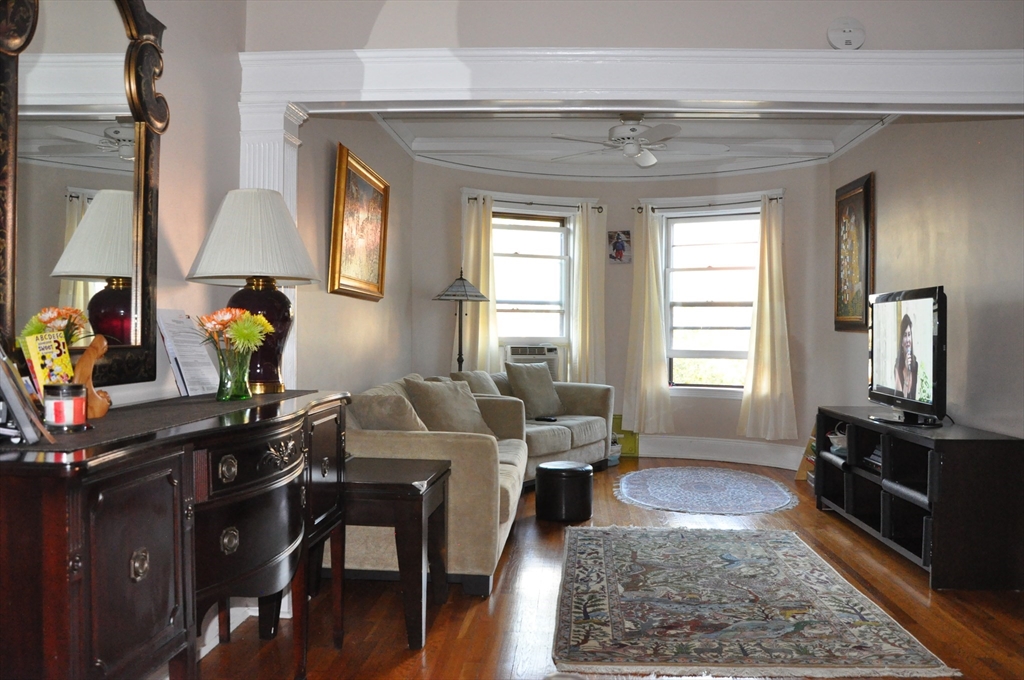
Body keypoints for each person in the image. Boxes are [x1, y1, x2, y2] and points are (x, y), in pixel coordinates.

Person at [893, 314, 918, 400]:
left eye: (909, 334)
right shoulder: (897, 367)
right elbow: (900, 400)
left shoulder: (915, 364)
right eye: (905, 335)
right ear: (901, 342)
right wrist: (907, 373)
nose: (907, 340)